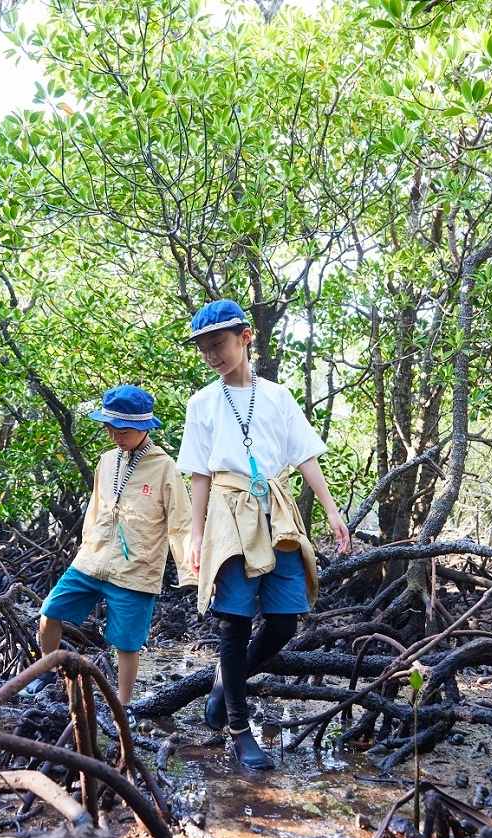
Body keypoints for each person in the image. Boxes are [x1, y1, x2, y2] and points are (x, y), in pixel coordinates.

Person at [177, 299, 349, 770]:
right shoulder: (202, 403)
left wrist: (332, 512)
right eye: (205, 349)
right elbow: (197, 474)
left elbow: (305, 457)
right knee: (232, 621)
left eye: (220, 345)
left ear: (245, 338)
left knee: (283, 621)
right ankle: (238, 728)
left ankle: (222, 685)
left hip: (278, 509)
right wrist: (195, 533)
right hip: (229, 512)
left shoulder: (277, 397)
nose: (212, 355)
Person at [22, 385, 191, 721]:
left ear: (146, 427)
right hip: (92, 559)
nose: (116, 436)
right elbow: (95, 509)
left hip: (135, 569)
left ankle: (123, 706)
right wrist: (86, 546)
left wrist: (191, 571)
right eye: (110, 428)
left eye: (123, 430)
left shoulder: (164, 468)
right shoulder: (106, 460)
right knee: (50, 610)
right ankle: (45, 671)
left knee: (126, 643)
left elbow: (180, 523)